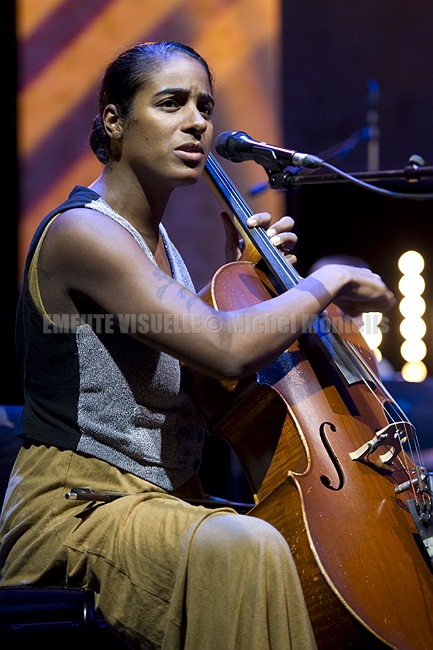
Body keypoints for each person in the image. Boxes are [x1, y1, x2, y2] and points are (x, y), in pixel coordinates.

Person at [0, 41, 396, 649]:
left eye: (205, 107)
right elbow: (225, 348)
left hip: (159, 501)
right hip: (78, 509)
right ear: (114, 121)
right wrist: (325, 282)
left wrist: (247, 278)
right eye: (170, 103)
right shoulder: (82, 232)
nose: (196, 122)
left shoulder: (165, 252)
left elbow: (213, 385)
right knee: (248, 547)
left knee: (304, 546)